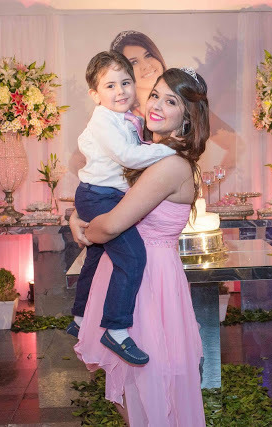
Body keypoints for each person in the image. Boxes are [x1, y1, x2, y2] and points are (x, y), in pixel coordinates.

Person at [72, 67, 209, 426]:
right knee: (131, 390)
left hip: (148, 281)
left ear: (187, 118)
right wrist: (77, 217)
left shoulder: (170, 165)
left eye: (171, 101)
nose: (157, 106)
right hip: (128, 274)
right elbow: (104, 194)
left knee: (149, 387)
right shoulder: (147, 152)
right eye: (155, 95)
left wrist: (86, 229)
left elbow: (111, 225)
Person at [67, 51, 176, 367]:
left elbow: (133, 152)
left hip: (103, 194)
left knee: (96, 258)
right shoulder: (103, 120)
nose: (121, 91)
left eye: (125, 82)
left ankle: (80, 316)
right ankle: (116, 329)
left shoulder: (127, 117)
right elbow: (128, 156)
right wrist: (167, 151)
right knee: (133, 257)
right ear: (95, 95)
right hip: (99, 196)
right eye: (110, 86)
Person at [111, 30, 166, 119]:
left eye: (148, 55)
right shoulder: (124, 121)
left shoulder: (184, 99)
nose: (146, 66)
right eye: (134, 62)